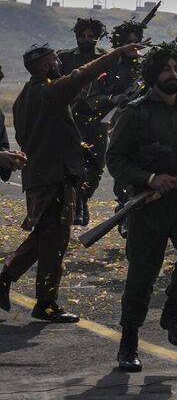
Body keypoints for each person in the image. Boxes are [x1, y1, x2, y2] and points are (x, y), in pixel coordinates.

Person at [4, 38, 140, 319]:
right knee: (55, 242)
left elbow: (24, 136)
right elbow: (83, 74)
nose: (60, 65)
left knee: (44, 236)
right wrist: (117, 53)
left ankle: (5, 278)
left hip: (40, 176)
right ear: (44, 65)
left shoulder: (22, 99)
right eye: (55, 60)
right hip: (55, 178)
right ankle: (46, 304)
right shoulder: (50, 92)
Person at [104, 45, 177, 372]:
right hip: (147, 205)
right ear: (153, 75)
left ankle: (172, 310)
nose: (174, 74)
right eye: (166, 69)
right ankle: (129, 343)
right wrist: (150, 178)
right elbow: (115, 160)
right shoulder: (135, 112)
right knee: (140, 278)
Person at [57, 16, 109, 226]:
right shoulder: (66, 59)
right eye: (83, 36)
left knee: (96, 165)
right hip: (72, 119)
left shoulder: (107, 58)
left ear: (97, 37)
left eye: (91, 36)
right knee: (75, 162)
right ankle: (76, 202)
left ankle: (83, 199)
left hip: (98, 119)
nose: (87, 39)